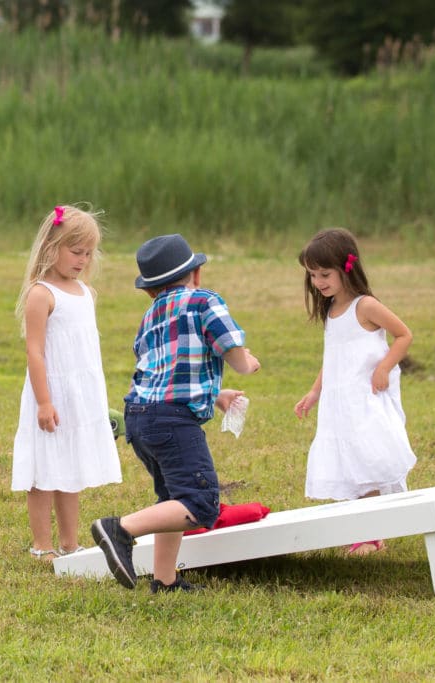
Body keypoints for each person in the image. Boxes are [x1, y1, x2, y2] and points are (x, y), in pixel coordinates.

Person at [91, 233, 261, 593]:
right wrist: (247, 365)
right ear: (195, 273)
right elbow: (231, 348)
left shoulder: (150, 316)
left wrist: (217, 395)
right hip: (172, 420)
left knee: (172, 499)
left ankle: (165, 581)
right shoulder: (204, 301)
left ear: (151, 290)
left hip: (140, 417)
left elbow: (167, 372)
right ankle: (119, 529)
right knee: (200, 504)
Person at [293, 228, 417, 556]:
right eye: (312, 276)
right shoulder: (332, 310)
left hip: (364, 396)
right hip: (339, 401)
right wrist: (315, 391)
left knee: (368, 456)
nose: (318, 282)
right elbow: (333, 356)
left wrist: (383, 367)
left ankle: (372, 534)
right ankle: (362, 527)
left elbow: (404, 335)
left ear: (346, 267)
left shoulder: (366, 306)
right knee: (348, 460)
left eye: (324, 274)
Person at [12, 205, 122, 562]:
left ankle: (70, 543)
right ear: (51, 247)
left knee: (70, 468)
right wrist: (44, 401)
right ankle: (42, 545)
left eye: (88, 253)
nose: (82, 260)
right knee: (45, 469)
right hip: (51, 394)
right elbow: (35, 353)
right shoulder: (41, 294)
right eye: (76, 252)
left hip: (79, 396)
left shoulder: (86, 293)